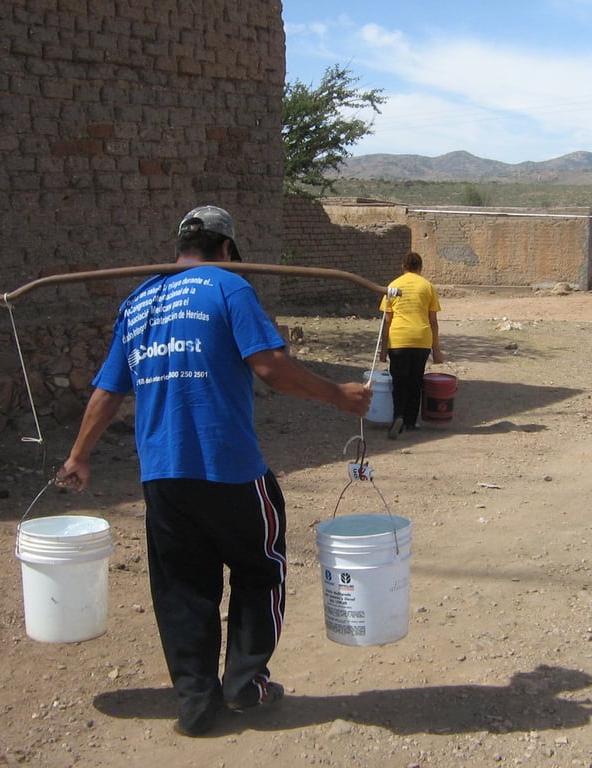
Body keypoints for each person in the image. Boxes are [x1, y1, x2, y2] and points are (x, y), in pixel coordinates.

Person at [56, 205, 372, 737]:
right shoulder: (228, 287)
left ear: (180, 246)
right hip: (229, 468)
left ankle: (197, 706)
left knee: (182, 589)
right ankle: (245, 686)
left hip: (162, 476)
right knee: (260, 568)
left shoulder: (137, 302)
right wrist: (338, 394)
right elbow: (270, 367)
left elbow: (109, 390)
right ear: (226, 250)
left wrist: (79, 455)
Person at [378, 251, 444, 438]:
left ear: (403, 267)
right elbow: (434, 322)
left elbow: (387, 321)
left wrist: (383, 352)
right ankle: (410, 422)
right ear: (420, 268)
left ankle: (397, 416)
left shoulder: (393, 286)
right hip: (421, 340)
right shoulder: (428, 286)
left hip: (398, 340)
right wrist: (436, 350)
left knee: (399, 382)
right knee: (416, 381)